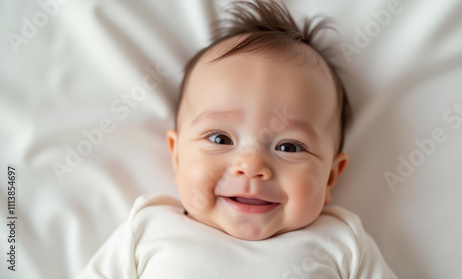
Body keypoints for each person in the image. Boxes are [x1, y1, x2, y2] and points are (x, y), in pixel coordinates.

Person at [78, 0, 397, 277]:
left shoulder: (340, 241)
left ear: (330, 176)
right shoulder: (149, 227)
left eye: (288, 146)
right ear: (177, 157)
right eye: (220, 138)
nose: (251, 166)